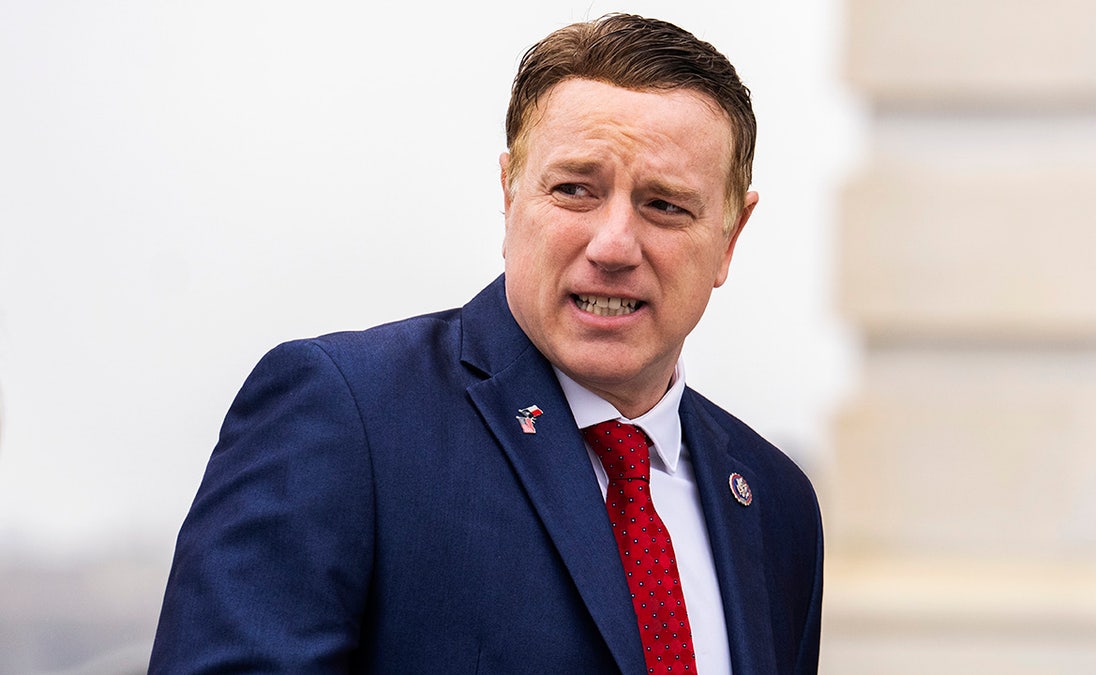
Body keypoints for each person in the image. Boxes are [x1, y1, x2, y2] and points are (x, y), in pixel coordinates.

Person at [150, 13, 822, 674]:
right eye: (574, 190)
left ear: (730, 238)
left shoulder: (776, 505)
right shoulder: (349, 418)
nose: (614, 245)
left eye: (665, 205)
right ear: (509, 196)